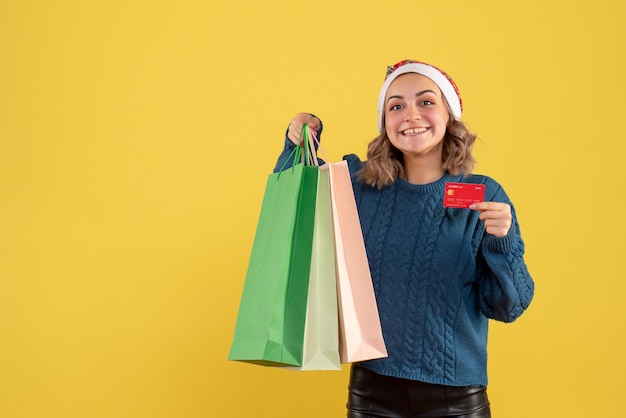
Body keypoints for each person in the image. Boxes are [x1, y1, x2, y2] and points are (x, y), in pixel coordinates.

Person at [274, 59, 534, 418]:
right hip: (372, 392)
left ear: (449, 115)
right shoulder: (359, 187)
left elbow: (507, 307)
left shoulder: (483, 194)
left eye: (426, 102)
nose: (411, 115)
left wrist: (501, 243)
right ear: (385, 123)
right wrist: (298, 138)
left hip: (456, 399)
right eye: (396, 106)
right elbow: (295, 206)